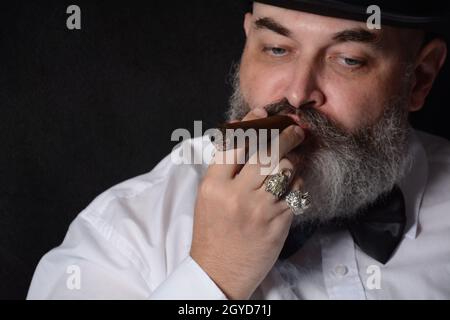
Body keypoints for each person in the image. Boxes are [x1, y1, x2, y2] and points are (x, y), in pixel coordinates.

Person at [28, 0, 450, 299]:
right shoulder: (124, 235)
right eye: (277, 49)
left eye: (349, 60)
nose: (298, 92)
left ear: (420, 78)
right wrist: (213, 276)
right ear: (248, 42)